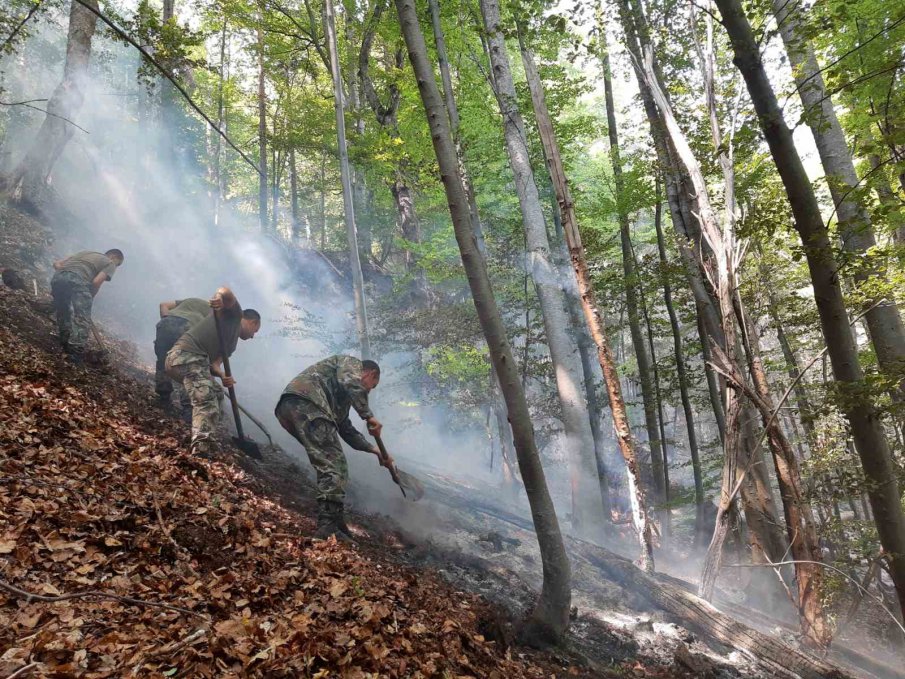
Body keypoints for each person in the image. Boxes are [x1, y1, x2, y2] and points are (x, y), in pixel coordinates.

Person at [275, 355, 390, 542]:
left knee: (334, 464)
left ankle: (335, 522)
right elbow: (352, 383)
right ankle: (326, 527)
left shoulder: (340, 397)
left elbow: (345, 428)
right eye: (373, 385)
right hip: (308, 404)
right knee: (334, 466)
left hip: (291, 409)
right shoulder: (351, 364)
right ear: (371, 373)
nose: (369, 390)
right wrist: (368, 416)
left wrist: (375, 450)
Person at [165, 287, 260, 457]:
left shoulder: (231, 345)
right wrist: (218, 297)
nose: (253, 337)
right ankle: (201, 450)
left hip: (198, 363)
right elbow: (226, 291)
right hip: (184, 356)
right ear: (252, 322)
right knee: (207, 399)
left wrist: (223, 376)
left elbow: (214, 365)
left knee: (217, 394)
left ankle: (202, 431)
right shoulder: (234, 316)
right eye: (255, 331)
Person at [51, 248, 124, 364]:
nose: (116, 266)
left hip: (58, 278)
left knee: (63, 310)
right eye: (118, 264)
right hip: (78, 281)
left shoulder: (84, 253)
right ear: (114, 257)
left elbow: (56, 264)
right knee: (82, 318)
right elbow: (96, 282)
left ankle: (64, 341)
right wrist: (90, 297)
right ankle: (75, 352)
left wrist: (67, 276)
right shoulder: (110, 263)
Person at [154, 297, 211, 413]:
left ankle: (163, 399)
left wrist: (166, 322)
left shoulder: (191, 300)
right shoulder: (215, 313)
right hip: (187, 328)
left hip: (166, 323)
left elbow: (163, 304)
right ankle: (187, 409)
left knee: (163, 361)